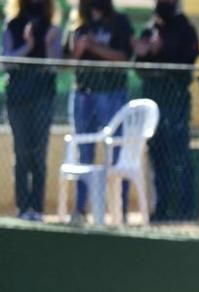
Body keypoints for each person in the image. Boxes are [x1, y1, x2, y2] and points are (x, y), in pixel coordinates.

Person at [64, 0, 133, 223]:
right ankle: (81, 209)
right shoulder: (77, 24)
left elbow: (124, 58)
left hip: (112, 94)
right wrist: (79, 50)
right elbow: (66, 63)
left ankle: (118, 210)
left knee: (117, 152)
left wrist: (94, 47)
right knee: (84, 152)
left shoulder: (120, 22)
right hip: (83, 94)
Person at [134, 0, 199, 222]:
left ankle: (185, 209)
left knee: (179, 156)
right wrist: (144, 53)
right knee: (157, 156)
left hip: (176, 102)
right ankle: (161, 208)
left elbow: (187, 62)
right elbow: (138, 66)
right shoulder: (149, 28)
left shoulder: (185, 29)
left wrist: (163, 49)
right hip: (154, 102)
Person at [2, 0, 62, 222]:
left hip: (43, 97)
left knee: (38, 155)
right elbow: (6, 62)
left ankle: (37, 209)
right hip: (18, 98)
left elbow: (54, 66)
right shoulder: (11, 25)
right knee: (21, 154)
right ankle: (22, 208)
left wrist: (46, 43)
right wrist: (27, 45)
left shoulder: (53, 28)